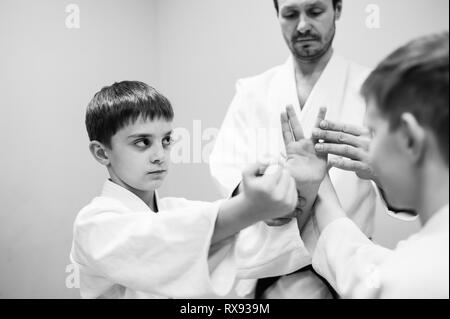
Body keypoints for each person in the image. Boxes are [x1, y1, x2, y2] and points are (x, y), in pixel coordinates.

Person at [210, 0, 387, 298]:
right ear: (277, 16)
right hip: (267, 270)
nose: (302, 25)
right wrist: (258, 200)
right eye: (291, 14)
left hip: (345, 270)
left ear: (338, 9)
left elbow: (408, 188)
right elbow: (225, 167)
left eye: (315, 11)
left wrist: (382, 172)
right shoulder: (252, 92)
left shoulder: (374, 89)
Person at [70, 81, 304, 299]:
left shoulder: (178, 210)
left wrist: (308, 185)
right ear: (102, 153)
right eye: (142, 142)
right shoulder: (93, 225)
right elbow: (158, 242)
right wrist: (249, 207)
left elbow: (253, 246)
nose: (160, 156)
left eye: (166, 140)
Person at [289, 32, 449, 298]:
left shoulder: (413, 277)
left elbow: (378, 280)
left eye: (372, 132)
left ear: (409, 139)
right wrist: (322, 189)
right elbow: (364, 267)